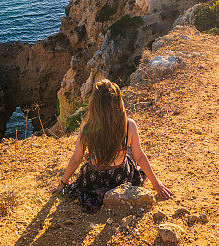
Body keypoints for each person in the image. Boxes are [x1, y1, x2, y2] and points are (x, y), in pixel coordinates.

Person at [49, 79, 172, 213]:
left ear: (95, 104)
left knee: (90, 158)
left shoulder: (87, 127)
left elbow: (76, 159)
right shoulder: (129, 125)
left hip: (93, 178)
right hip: (120, 177)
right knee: (129, 151)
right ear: (119, 102)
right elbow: (140, 157)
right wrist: (156, 183)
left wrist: (62, 183)